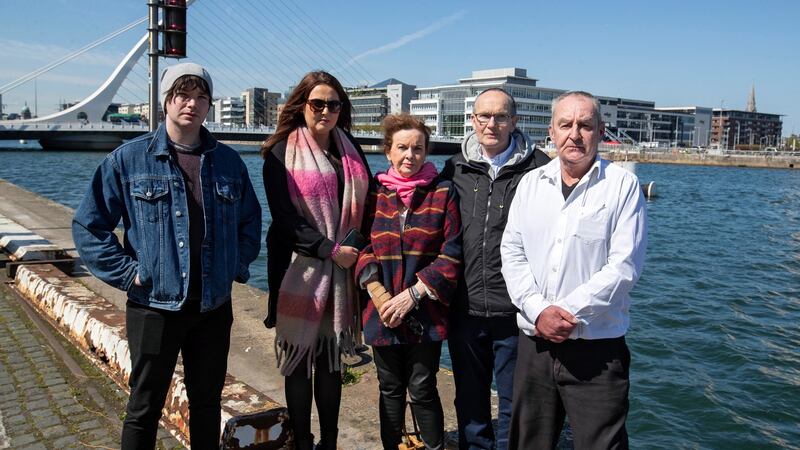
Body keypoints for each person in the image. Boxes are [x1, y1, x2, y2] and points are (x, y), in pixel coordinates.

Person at [72, 62, 262, 449]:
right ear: (165, 101)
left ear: (209, 105)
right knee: (144, 406)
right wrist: (129, 274)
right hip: (153, 307)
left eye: (200, 96)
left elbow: (250, 222)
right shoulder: (128, 160)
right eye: (182, 95)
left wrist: (235, 267)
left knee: (208, 404)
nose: (191, 104)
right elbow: (88, 226)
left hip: (212, 307)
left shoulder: (229, 162)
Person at [500, 91, 648, 449]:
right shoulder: (531, 184)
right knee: (529, 442)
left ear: (600, 131)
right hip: (534, 346)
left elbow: (624, 266)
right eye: (566, 124)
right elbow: (511, 252)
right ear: (551, 132)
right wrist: (538, 311)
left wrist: (564, 313)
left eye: (585, 125)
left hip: (597, 349)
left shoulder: (622, 186)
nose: (575, 134)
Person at [261, 71, 372, 450]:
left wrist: (354, 250)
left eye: (334, 104)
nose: (325, 111)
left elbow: (367, 206)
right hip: (299, 269)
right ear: (302, 105)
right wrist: (329, 250)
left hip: (342, 274)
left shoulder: (349, 148)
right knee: (298, 359)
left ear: (342, 109)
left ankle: (329, 441)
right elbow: (284, 218)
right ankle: (303, 442)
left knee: (329, 362)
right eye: (317, 103)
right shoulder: (280, 151)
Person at [441, 88, 550, 449]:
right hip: (465, 306)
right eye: (484, 116)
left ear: (514, 121)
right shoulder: (454, 167)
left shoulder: (541, 168)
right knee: (469, 400)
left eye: (501, 116)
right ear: (472, 120)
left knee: (515, 401)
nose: (492, 123)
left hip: (516, 309)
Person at [355, 113, 461, 450]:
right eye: (402, 148)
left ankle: (434, 447)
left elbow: (453, 251)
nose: (409, 156)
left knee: (423, 386)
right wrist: (379, 293)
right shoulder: (374, 191)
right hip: (380, 309)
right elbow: (361, 244)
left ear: (427, 151)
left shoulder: (443, 192)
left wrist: (413, 294)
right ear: (388, 151)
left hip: (426, 310)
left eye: (417, 148)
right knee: (389, 388)